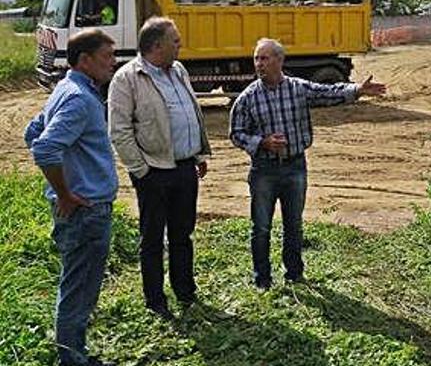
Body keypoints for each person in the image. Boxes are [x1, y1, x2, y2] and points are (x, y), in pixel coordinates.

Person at [229, 38, 386, 289]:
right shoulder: (248, 98)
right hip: (264, 170)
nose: (259, 64)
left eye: (265, 58)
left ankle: (294, 275)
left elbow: (326, 93)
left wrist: (356, 90)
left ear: (280, 61)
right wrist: (262, 143)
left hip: (295, 167)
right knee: (260, 228)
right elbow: (236, 133)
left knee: (294, 225)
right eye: (257, 58)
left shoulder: (297, 88)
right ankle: (262, 280)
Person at [24, 29, 118, 366]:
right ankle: (72, 359)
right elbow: (46, 148)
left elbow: (32, 132)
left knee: (76, 286)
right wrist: (65, 192)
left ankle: (74, 353)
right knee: (79, 290)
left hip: (82, 207)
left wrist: (69, 175)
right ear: (85, 59)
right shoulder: (79, 98)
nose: (113, 62)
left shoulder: (66, 88)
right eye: (107, 56)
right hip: (85, 210)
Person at [108, 16, 211, 320]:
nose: (180, 45)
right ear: (156, 46)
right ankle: (155, 300)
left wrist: (197, 154)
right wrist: (141, 171)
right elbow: (120, 131)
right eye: (175, 41)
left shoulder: (178, 70)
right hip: (153, 171)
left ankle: (185, 290)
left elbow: (189, 112)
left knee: (183, 233)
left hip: (183, 168)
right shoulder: (127, 78)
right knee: (152, 239)